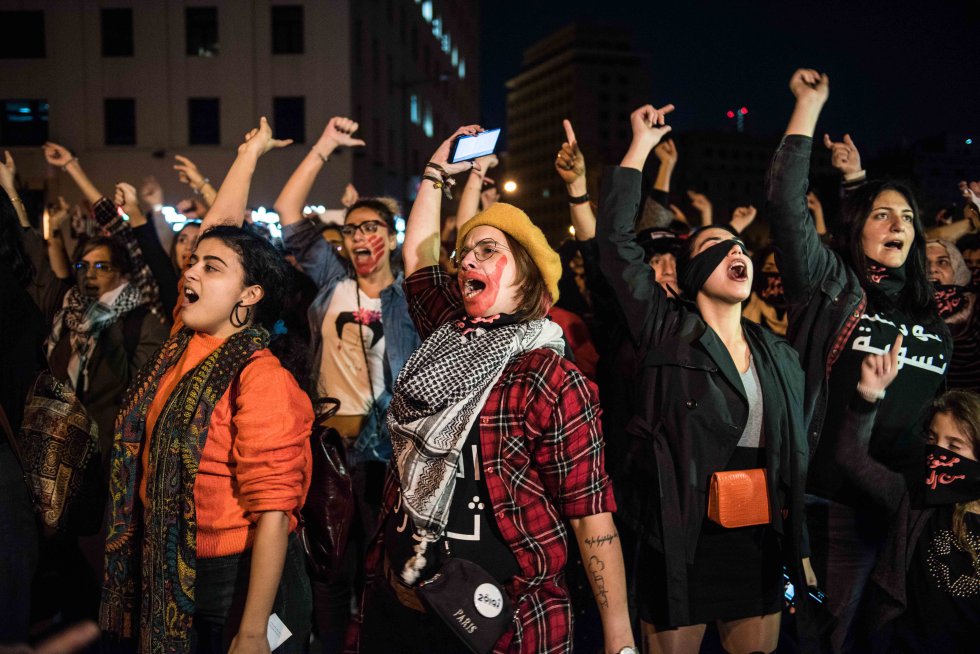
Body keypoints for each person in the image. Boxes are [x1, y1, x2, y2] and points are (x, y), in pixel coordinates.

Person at [350, 126, 635, 654]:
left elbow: (590, 513)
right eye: (464, 253)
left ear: (526, 278)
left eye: (488, 249)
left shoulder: (549, 377)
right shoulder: (448, 336)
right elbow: (417, 257)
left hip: (502, 621)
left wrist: (619, 640)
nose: (466, 262)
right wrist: (436, 168)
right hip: (402, 602)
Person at [598, 104, 813, 654]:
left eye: (740, 245)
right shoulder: (663, 329)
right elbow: (615, 246)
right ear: (694, 271)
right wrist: (640, 147)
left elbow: (793, 451)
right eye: (718, 247)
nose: (737, 251)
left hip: (757, 539)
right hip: (682, 535)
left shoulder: (777, 353)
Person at [100, 117, 313, 653]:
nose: (191, 273)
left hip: (235, 582)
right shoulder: (182, 338)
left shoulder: (261, 377)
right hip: (168, 562)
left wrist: (250, 629)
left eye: (210, 269)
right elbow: (218, 228)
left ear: (248, 296)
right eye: (191, 263)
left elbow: (273, 514)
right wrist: (251, 153)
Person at [766, 68, 951, 653]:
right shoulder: (830, 288)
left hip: (902, 509)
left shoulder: (933, 324)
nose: (897, 224)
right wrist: (810, 106)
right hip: (829, 506)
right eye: (881, 215)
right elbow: (784, 203)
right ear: (856, 230)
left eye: (907, 217)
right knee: (821, 638)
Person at [275, 116, 421, 648]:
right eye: (353, 229)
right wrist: (324, 147)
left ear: (389, 236)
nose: (361, 236)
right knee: (331, 569)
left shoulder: (408, 299)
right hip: (332, 451)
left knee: (382, 569)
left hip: (390, 455)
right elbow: (289, 213)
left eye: (372, 228)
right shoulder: (332, 285)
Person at [830, 340, 980, 653]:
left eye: (954, 447)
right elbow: (851, 457)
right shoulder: (912, 498)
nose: (938, 453)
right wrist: (868, 394)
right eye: (933, 440)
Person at [927, 239, 979, 392]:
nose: (932, 270)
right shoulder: (903, 307)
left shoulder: (974, 306)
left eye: (942, 262)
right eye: (923, 262)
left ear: (957, 268)